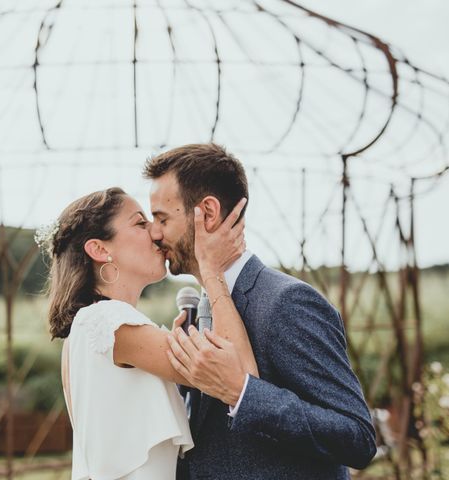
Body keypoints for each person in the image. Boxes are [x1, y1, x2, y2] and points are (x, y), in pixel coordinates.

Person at [144, 143, 377, 479]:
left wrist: (243, 393)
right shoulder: (197, 309)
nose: (154, 232)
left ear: (207, 213)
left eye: (162, 218)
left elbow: (356, 437)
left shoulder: (287, 303)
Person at [41, 187, 257, 480]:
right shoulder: (109, 320)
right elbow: (242, 377)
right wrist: (211, 269)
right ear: (100, 249)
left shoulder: (93, 326)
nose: (155, 233)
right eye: (140, 223)